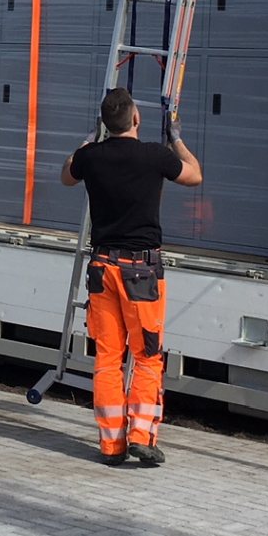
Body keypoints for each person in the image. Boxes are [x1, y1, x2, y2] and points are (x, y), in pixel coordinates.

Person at [60, 87, 202, 467]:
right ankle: (142, 437)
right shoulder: (155, 155)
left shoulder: (90, 158)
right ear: (136, 120)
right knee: (147, 355)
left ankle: (111, 445)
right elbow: (195, 176)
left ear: (105, 125)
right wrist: (177, 139)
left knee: (108, 358)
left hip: (102, 268)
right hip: (142, 271)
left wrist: (87, 141)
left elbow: (66, 175)